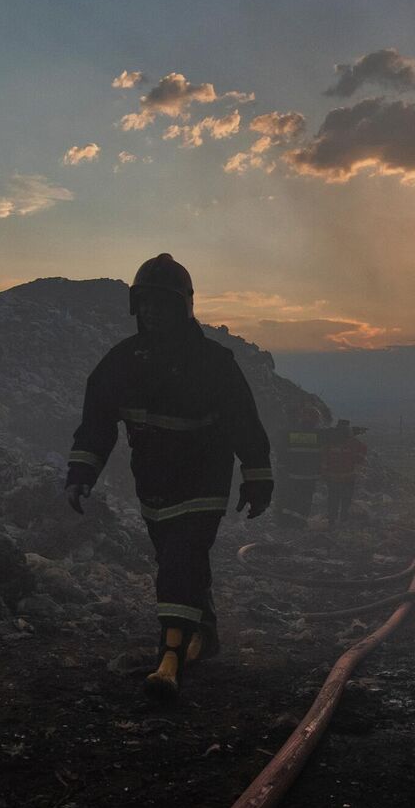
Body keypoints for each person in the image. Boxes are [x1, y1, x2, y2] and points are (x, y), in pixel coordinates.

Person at [64, 253, 274, 703]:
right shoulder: (121, 362)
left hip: (203, 481)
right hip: (153, 485)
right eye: (145, 303)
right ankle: (205, 633)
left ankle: (170, 657)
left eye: (162, 302)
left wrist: (257, 477)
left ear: (183, 306)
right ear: (135, 306)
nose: (152, 311)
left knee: (181, 558)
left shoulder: (213, 361)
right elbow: (97, 422)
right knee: (178, 563)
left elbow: (244, 422)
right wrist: (81, 471)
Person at [275, 405, 323, 527]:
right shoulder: (318, 435)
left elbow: (282, 451)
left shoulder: (291, 432)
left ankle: (284, 522)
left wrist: (282, 467)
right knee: (304, 501)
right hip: (309, 476)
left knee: (290, 499)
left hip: (292, 474)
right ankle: (299, 523)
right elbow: (322, 455)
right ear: (315, 420)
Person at [321, 418, 368, 529]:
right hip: (348, 478)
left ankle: (332, 521)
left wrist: (323, 474)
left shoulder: (328, 442)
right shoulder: (354, 443)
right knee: (345, 500)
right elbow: (360, 457)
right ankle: (343, 520)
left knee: (333, 499)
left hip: (332, 478)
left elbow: (323, 459)